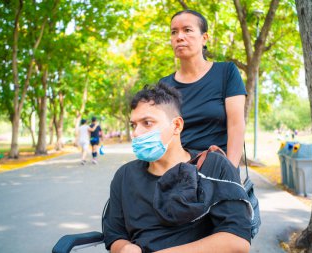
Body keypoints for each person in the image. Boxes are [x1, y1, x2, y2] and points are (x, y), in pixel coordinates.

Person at [103, 83, 251, 253]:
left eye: (147, 123)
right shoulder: (125, 176)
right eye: (133, 125)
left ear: (177, 125)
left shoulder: (213, 166)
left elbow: (238, 240)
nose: (136, 133)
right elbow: (114, 234)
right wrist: (125, 247)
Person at [160, 10, 246, 168]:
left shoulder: (227, 72)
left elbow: (236, 125)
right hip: (177, 171)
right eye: (174, 32)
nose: (179, 37)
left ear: (204, 38)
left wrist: (230, 173)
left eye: (187, 30)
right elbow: (163, 134)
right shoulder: (164, 85)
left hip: (217, 168)